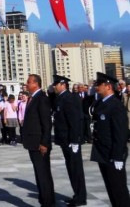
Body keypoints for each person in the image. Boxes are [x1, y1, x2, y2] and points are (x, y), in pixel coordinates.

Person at [90, 72, 130, 207]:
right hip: (103, 152)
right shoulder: (101, 103)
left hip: (113, 154)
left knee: (119, 190)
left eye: (99, 84)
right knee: (111, 189)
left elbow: (120, 133)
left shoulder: (115, 105)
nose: (96, 87)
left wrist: (118, 156)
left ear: (108, 86)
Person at [51, 75, 87, 207]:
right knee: (71, 168)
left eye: (56, 84)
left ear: (63, 84)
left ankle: (80, 197)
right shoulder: (60, 98)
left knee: (75, 169)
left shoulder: (69, 98)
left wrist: (75, 140)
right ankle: (77, 195)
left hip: (71, 141)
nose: (54, 86)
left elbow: (75, 120)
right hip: (64, 140)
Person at [22, 74, 55, 207]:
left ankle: (48, 203)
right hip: (33, 143)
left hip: (39, 144)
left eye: (28, 82)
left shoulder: (41, 98)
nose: (26, 85)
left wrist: (44, 143)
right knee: (40, 174)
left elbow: (46, 123)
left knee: (43, 175)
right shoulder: (33, 98)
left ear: (36, 84)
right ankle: (45, 200)